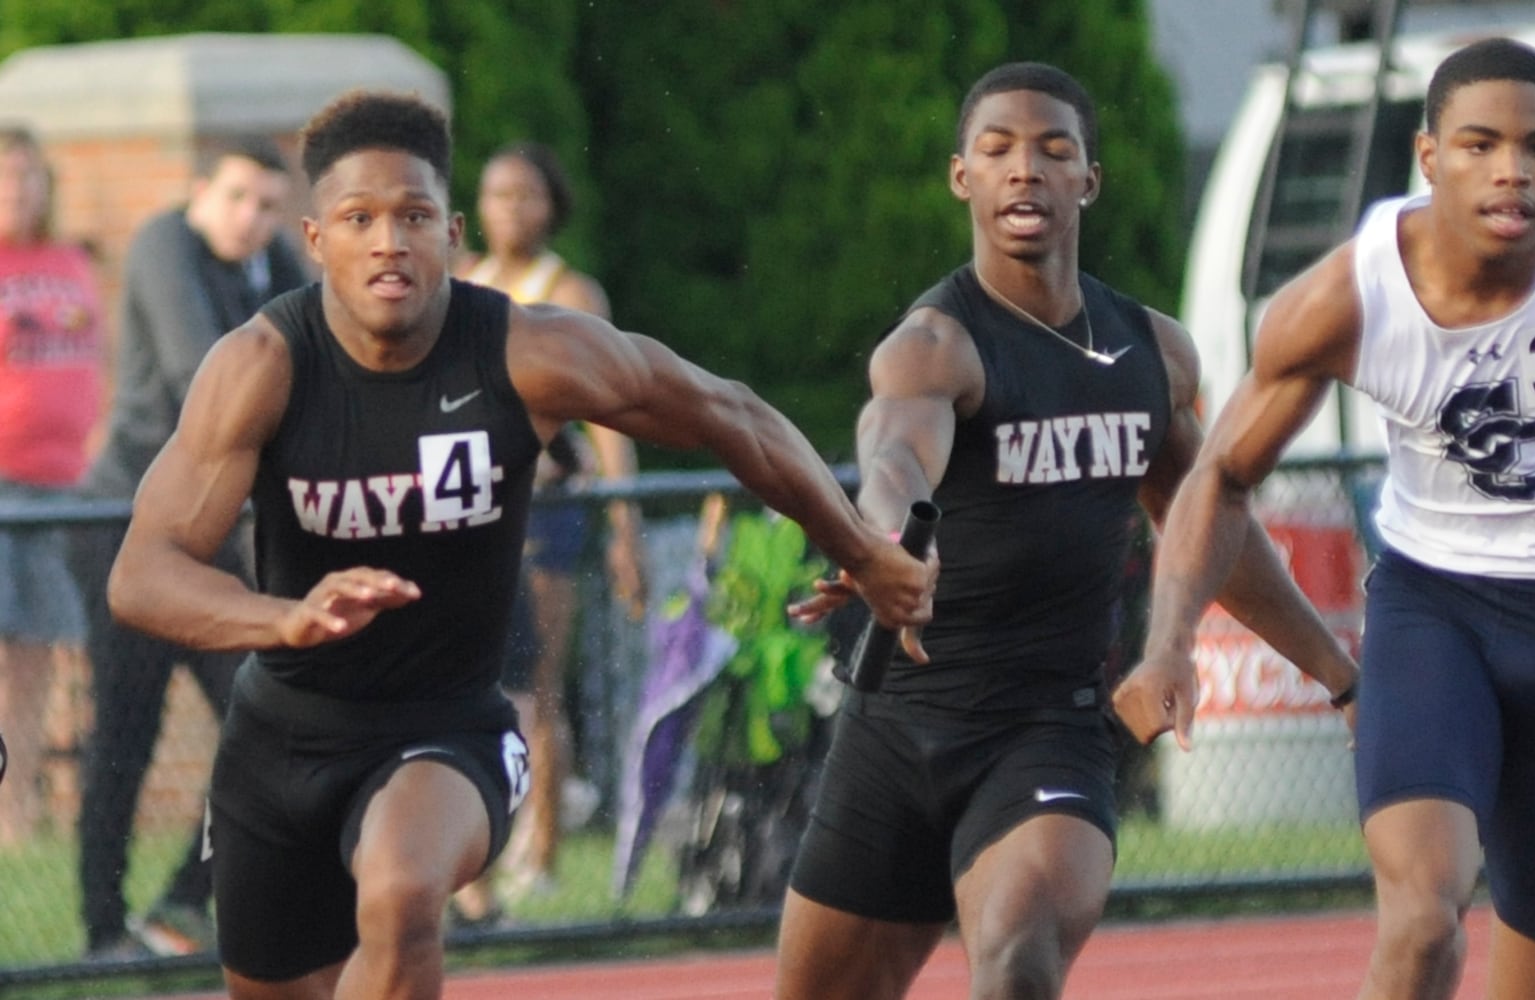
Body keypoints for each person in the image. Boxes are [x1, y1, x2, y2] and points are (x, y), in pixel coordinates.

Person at [104, 89, 931, 1000]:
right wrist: (286, 617)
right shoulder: (263, 366)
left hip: (446, 728)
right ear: (313, 239)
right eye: (359, 218)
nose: (389, 240)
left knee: (400, 892)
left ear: (452, 231)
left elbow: (724, 411)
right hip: (282, 744)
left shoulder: (522, 353)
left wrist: (858, 546)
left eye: (414, 215)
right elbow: (144, 574)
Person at [772, 62, 1359, 1000]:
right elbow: (892, 459)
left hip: (1049, 727)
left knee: (1017, 962)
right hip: (897, 731)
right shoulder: (934, 344)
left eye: (1052, 150)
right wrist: (877, 541)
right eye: (997, 150)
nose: (1024, 171)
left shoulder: (1152, 354)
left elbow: (1207, 519)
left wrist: (1337, 674)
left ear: (1089, 178)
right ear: (961, 176)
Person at [1114, 37, 1535, 1000]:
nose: (1511, 169)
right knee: (1421, 926)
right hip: (1436, 616)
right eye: (1478, 144)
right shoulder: (1348, 293)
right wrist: (1167, 642)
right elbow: (1218, 478)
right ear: (1427, 158)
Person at [73, 135, 306, 959]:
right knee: (125, 736)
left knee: (271, 720)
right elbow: (199, 373)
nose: (253, 219)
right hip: (128, 527)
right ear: (200, 191)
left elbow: (317, 359)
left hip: (215, 537)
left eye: (269, 204)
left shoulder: (276, 260)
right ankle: (102, 933)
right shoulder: (163, 243)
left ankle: (178, 904)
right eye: (238, 197)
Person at [453, 141, 644, 914]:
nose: (511, 210)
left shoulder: (567, 290)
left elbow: (608, 413)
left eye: (526, 196)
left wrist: (624, 519)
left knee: (538, 683)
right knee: (472, 679)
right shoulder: (463, 282)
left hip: (546, 512)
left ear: (551, 205)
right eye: (497, 195)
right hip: (472, 507)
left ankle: (543, 847)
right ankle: (481, 850)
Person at [0, 125, 102, 846]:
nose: (19, 191)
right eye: (6, 178)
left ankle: (16, 817)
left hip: (61, 484)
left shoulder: (70, 261)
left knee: (38, 652)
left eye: (30, 177)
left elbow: (97, 357)